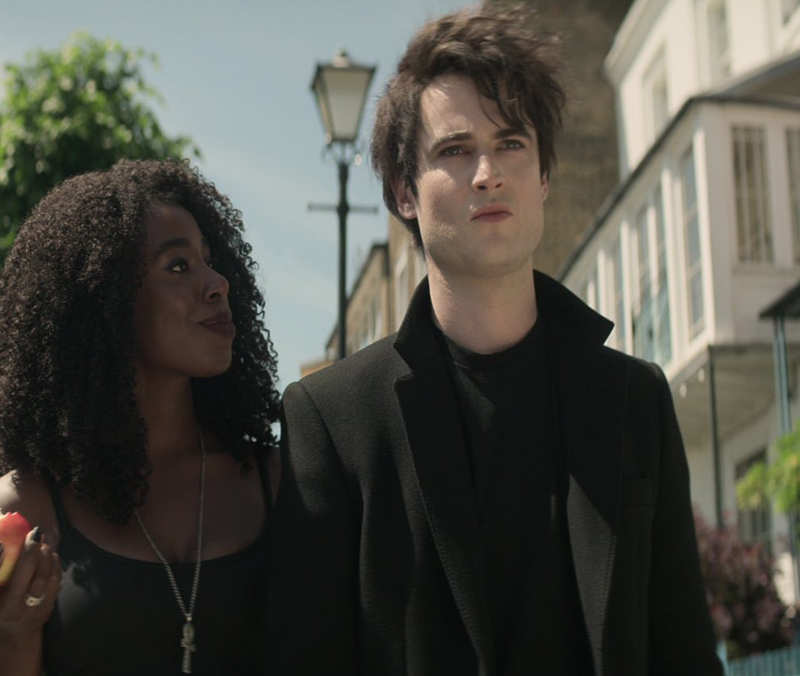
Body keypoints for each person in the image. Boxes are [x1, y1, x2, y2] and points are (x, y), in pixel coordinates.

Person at [267, 7, 723, 676]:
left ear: (544, 176)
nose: (488, 172)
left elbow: (684, 654)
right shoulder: (332, 422)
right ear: (403, 193)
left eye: (511, 143)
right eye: (455, 150)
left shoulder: (634, 398)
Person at [0, 159, 280, 676]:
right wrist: (15, 631)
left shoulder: (278, 483)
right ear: (103, 303)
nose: (217, 282)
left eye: (208, 260)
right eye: (178, 267)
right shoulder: (26, 512)